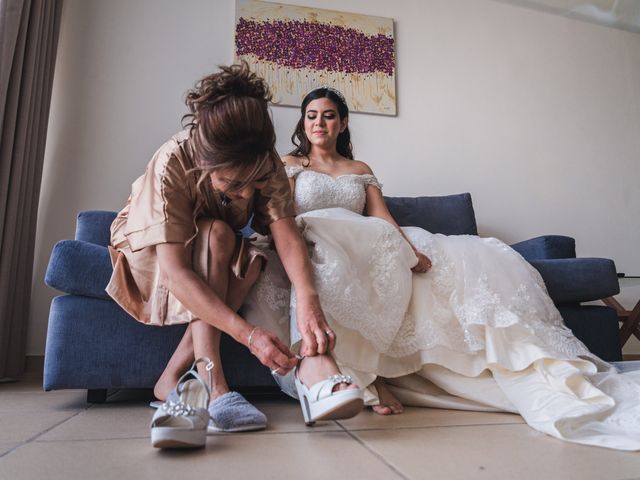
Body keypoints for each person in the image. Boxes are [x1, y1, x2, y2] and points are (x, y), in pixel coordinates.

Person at [241, 86, 640, 450]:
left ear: (342, 122)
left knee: (407, 251)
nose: (318, 122)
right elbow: (281, 215)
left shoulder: (360, 168)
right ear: (302, 123)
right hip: (314, 235)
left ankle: (370, 372)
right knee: (326, 244)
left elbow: (382, 218)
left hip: (367, 239)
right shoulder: (289, 164)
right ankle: (353, 374)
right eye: (311, 115)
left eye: (328, 115)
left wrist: (408, 248)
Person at [106, 65, 363, 439]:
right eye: (232, 185)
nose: (245, 195)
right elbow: (175, 271)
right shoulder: (172, 162)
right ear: (206, 164)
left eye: (253, 183)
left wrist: (308, 299)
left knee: (251, 257)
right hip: (155, 248)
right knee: (219, 236)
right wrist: (249, 335)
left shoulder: (266, 161)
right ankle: (214, 384)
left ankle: (171, 379)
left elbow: (286, 235)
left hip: (219, 247)